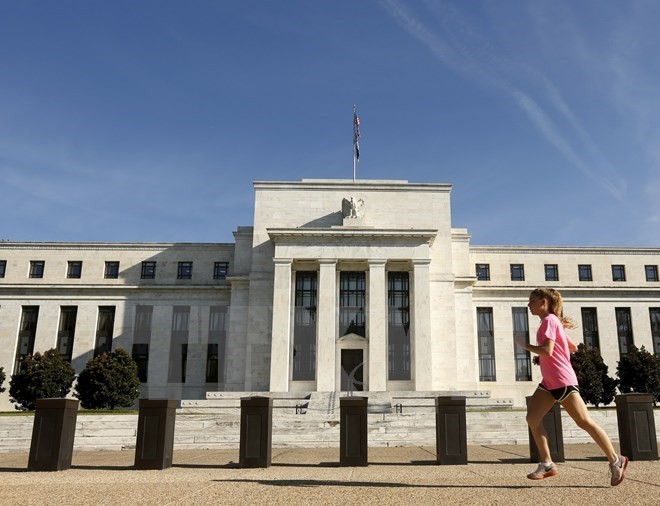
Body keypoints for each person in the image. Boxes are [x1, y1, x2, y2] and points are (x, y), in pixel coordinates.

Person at [514, 288, 628, 486]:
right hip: (549, 383)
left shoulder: (549, 321)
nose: (528, 304)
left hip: (562, 381)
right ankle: (547, 463)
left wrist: (524, 346)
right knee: (532, 418)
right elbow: (572, 347)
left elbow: (548, 351)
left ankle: (616, 460)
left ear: (543, 302)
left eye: (532, 300)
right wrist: (560, 335)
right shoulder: (550, 322)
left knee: (584, 422)